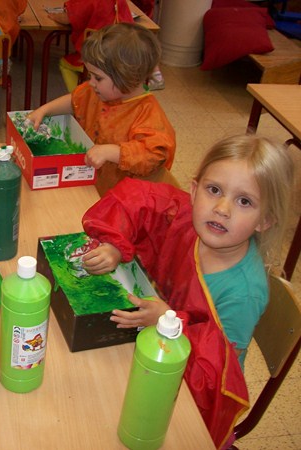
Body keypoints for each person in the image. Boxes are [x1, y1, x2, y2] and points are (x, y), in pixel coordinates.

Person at [80, 135, 294, 449]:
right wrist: (115, 243)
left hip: (193, 397)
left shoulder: (244, 294)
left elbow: (215, 371)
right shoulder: (185, 216)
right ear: (194, 191)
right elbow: (138, 200)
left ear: (265, 220)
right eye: (214, 190)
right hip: (151, 348)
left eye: (244, 201)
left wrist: (168, 320)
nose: (222, 209)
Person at [28, 22, 175, 196]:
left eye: (98, 78)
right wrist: (45, 110)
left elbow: (155, 156)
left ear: (127, 77)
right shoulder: (100, 91)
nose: (91, 82)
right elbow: (75, 100)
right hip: (90, 185)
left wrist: (114, 152)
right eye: (90, 75)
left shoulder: (148, 114)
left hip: (122, 198)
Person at [47, 0, 164, 92]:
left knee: (65, 63)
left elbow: (68, 18)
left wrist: (53, 16)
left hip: (99, 56)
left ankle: (79, 98)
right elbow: (129, 26)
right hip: (124, 56)